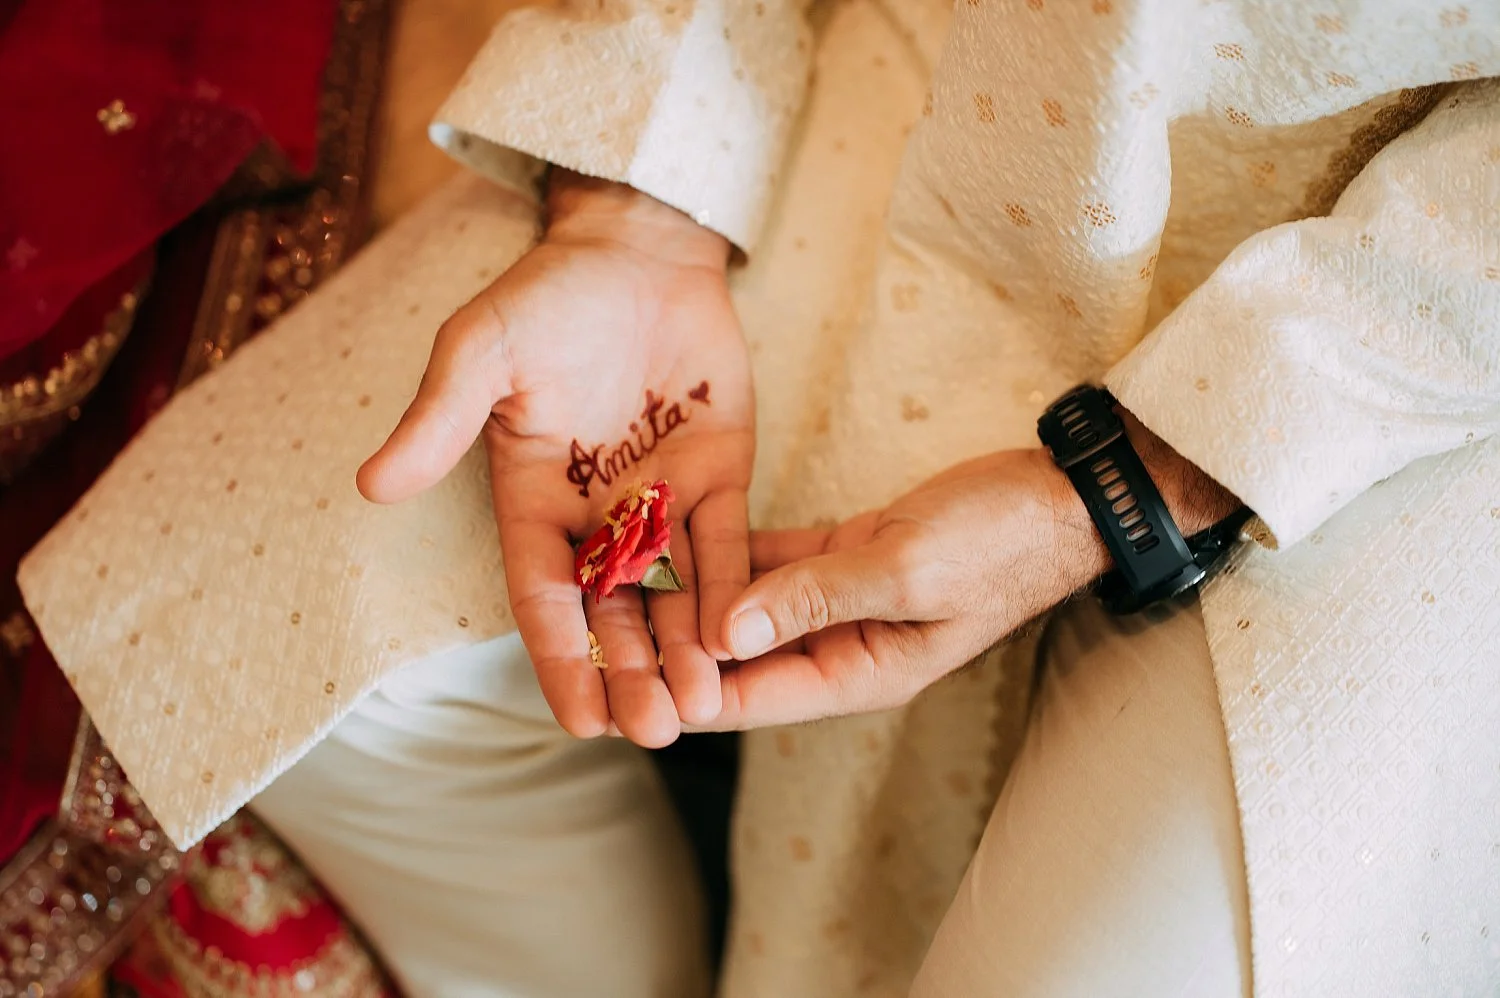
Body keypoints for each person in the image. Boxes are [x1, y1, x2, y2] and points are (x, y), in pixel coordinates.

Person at [18, 1, 1500, 996]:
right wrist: (634, 208)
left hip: (1385, 351)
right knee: (313, 644)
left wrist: (1128, 488)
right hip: (893, 90)